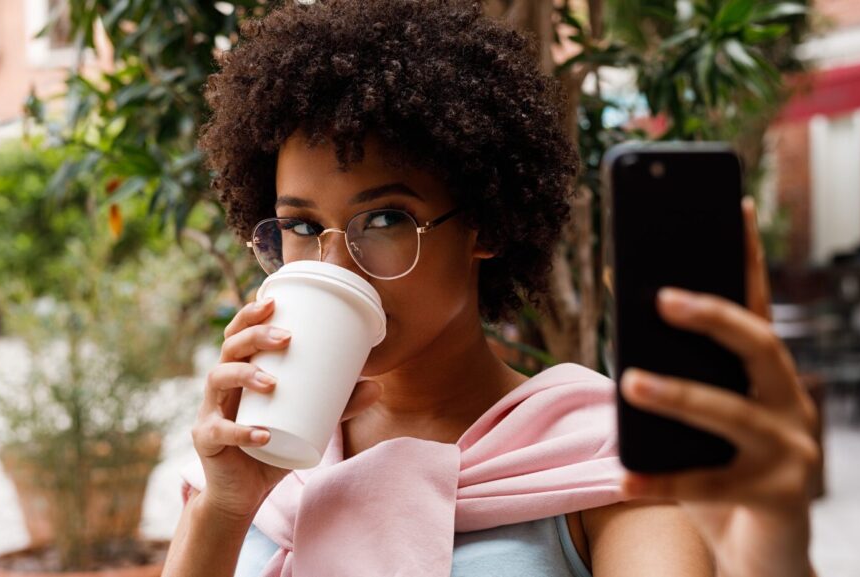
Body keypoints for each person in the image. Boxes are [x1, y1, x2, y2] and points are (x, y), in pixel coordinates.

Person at [162, 1, 820, 576]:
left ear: (485, 224)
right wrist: (224, 505)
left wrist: (773, 557)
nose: (335, 263)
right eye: (301, 225)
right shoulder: (253, 461)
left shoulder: (596, 448)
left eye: (385, 218)